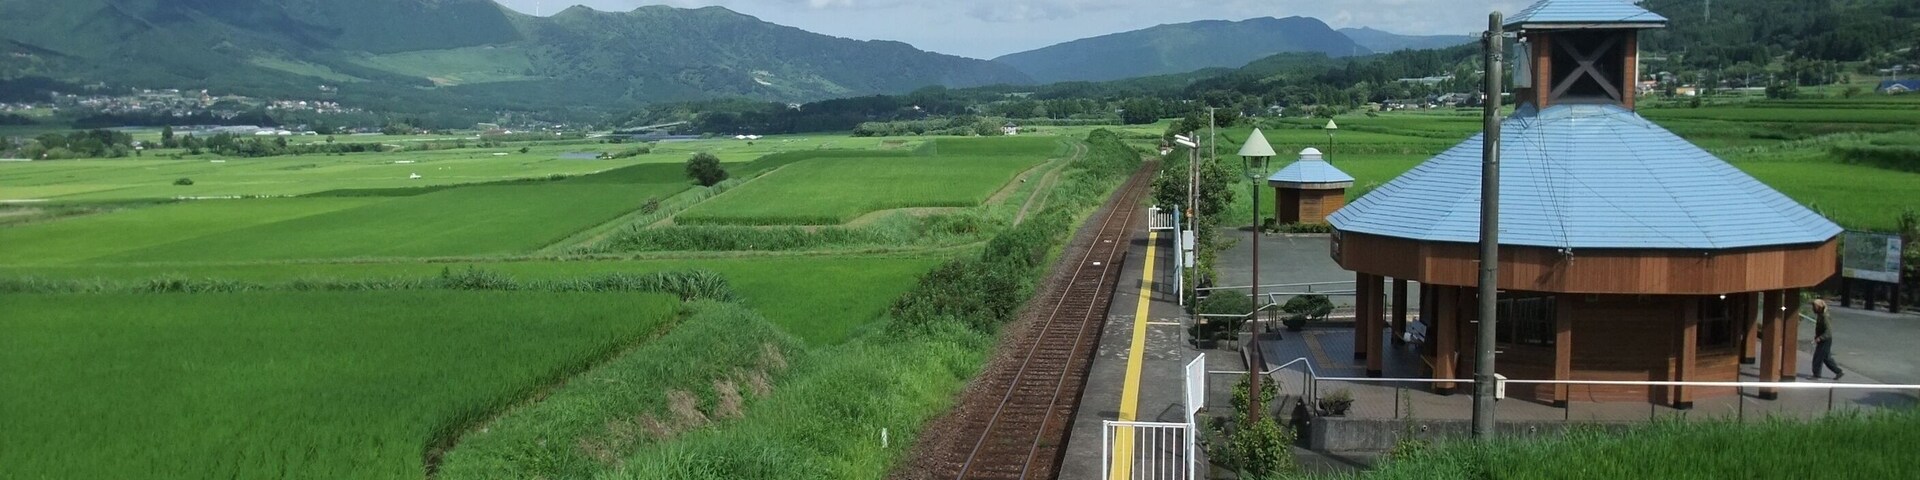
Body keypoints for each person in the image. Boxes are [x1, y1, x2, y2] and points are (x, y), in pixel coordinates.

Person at [1811, 298, 1845, 381]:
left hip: (1825, 340)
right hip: (1823, 339)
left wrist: (1820, 338)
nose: (1813, 308)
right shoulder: (1820, 315)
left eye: (1814, 306)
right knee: (1826, 358)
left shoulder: (1825, 316)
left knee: (1818, 358)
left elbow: (1828, 331)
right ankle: (1838, 371)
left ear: (1819, 307)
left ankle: (1816, 375)